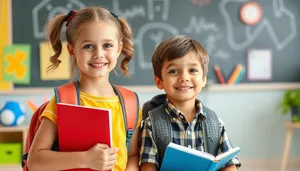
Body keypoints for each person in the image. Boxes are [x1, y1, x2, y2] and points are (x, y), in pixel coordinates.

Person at [27, 7, 141, 171]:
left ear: (118, 49)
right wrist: (86, 159)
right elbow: (35, 160)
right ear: (72, 51)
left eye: (107, 45)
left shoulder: (130, 103)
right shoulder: (64, 100)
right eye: (88, 46)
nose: (98, 54)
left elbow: (132, 156)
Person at [139, 36, 241, 171]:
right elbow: (148, 166)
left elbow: (228, 165)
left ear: (203, 79)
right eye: (173, 71)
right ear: (159, 81)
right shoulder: (152, 123)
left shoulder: (215, 123)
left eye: (193, 70)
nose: (184, 78)